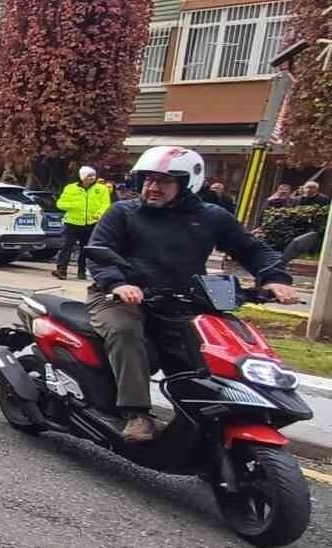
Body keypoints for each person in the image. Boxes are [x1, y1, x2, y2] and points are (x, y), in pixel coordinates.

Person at [87, 146, 298, 443]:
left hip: (181, 299)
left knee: (205, 349)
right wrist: (117, 283)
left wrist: (275, 279)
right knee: (126, 331)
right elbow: (100, 253)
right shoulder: (123, 212)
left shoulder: (212, 217)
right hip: (118, 296)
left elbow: (251, 249)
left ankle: (203, 420)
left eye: (164, 181)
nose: (153, 187)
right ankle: (137, 413)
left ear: (187, 184)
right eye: (148, 179)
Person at [52, 165, 112, 280]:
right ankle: (61, 270)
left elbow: (105, 204)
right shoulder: (70, 188)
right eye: (89, 175)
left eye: (93, 175)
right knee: (67, 245)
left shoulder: (101, 189)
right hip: (72, 222)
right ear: (82, 177)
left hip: (90, 222)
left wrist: (99, 214)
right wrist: (75, 205)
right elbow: (60, 204)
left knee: (85, 248)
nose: (92, 178)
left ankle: (82, 271)